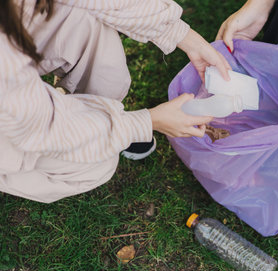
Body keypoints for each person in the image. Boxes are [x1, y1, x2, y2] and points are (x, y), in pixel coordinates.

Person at [0, 0, 231, 203]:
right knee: (98, 164)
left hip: (13, 43)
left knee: (84, 20)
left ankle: (103, 129)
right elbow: (44, 128)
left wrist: (185, 38)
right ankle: (19, 169)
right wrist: (144, 123)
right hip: (18, 112)